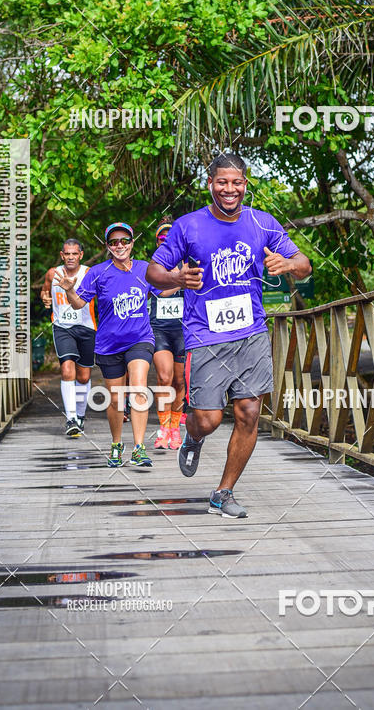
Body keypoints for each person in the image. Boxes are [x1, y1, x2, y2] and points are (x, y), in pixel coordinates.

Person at [146, 153, 311, 518]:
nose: (229, 189)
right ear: (211, 184)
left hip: (251, 330)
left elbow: (304, 264)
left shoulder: (262, 223)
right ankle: (192, 436)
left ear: (245, 184)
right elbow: (154, 272)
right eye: (222, 182)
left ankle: (223, 492)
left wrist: (289, 265)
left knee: (249, 412)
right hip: (205, 333)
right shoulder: (188, 226)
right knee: (208, 419)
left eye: (236, 182)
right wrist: (176, 278)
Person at [55, 222, 158, 469]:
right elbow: (79, 304)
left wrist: (185, 277)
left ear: (132, 242)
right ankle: (116, 445)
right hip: (109, 344)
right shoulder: (98, 272)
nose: (119, 245)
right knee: (115, 399)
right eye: (114, 242)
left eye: (124, 240)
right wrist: (69, 291)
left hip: (140, 339)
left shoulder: (145, 269)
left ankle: (139, 448)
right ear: (108, 246)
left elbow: (165, 290)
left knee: (139, 388)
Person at [41, 239, 96, 438]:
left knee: (84, 376)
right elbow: (45, 290)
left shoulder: (89, 273)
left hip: (86, 328)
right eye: (67, 254)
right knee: (66, 370)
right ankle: (71, 418)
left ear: (81, 255)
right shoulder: (52, 273)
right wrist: (45, 298)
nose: (70, 257)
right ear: (61, 255)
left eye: (74, 254)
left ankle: (80, 415)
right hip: (62, 327)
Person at [148, 220, 185, 451]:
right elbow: (158, 292)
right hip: (159, 328)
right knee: (164, 377)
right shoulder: (153, 267)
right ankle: (162, 429)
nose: (166, 242)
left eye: (170, 238)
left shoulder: (188, 263)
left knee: (179, 381)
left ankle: (175, 428)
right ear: (157, 242)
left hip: (183, 329)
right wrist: (180, 280)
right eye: (162, 239)